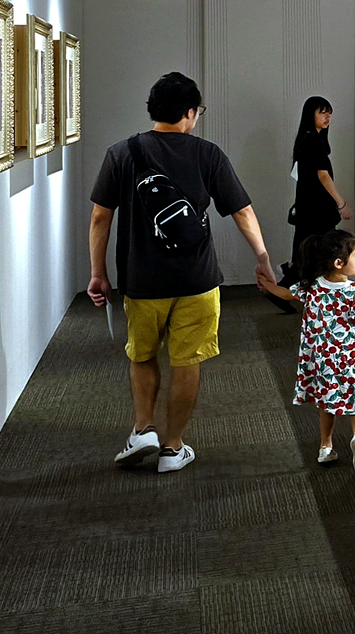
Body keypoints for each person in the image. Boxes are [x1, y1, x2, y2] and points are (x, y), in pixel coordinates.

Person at [88, 72, 272, 474]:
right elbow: (241, 211)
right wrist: (262, 257)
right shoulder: (208, 154)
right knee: (187, 361)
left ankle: (143, 430)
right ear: (189, 112)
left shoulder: (121, 153)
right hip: (197, 280)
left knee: (142, 355)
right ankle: (173, 448)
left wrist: (98, 273)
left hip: (142, 280)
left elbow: (101, 217)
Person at [258, 230, 355, 473]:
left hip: (321, 359)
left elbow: (286, 294)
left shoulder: (312, 286)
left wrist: (267, 285)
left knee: (326, 402)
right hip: (350, 357)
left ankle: (326, 447)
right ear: (339, 263)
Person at [288, 95, 349, 287]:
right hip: (318, 209)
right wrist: (341, 204)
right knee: (321, 250)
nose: (327, 117)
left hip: (308, 207)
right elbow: (323, 176)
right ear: (310, 114)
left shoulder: (306, 140)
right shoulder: (314, 142)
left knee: (307, 250)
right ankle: (288, 288)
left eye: (329, 113)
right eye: (322, 112)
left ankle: (286, 288)